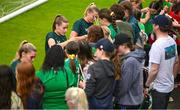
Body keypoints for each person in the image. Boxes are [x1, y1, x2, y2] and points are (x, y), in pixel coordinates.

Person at [145, 15, 179, 109]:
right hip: (168, 86)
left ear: (157, 26)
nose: (152, 25)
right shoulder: (172, 41)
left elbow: (154, 70)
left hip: (159, 88)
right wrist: (172, 77)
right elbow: (176, 62)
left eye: (154, 24)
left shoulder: (157, 45)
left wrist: (147, 85)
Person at [113, 33, 144, 109]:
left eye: (117, 46)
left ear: (124, 45)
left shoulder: (130, 61)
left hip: (128, 102)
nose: (116, 49)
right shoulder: (130, 58)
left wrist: (114, 95)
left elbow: (124, 86)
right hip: (131, 101)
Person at [85, 38, 115, 109]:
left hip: (94, 106)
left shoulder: (93, 68)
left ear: (102, 51)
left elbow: (89, 92)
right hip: (109, 106)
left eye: (97, 50)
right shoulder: (115, 67)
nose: (95, 53)